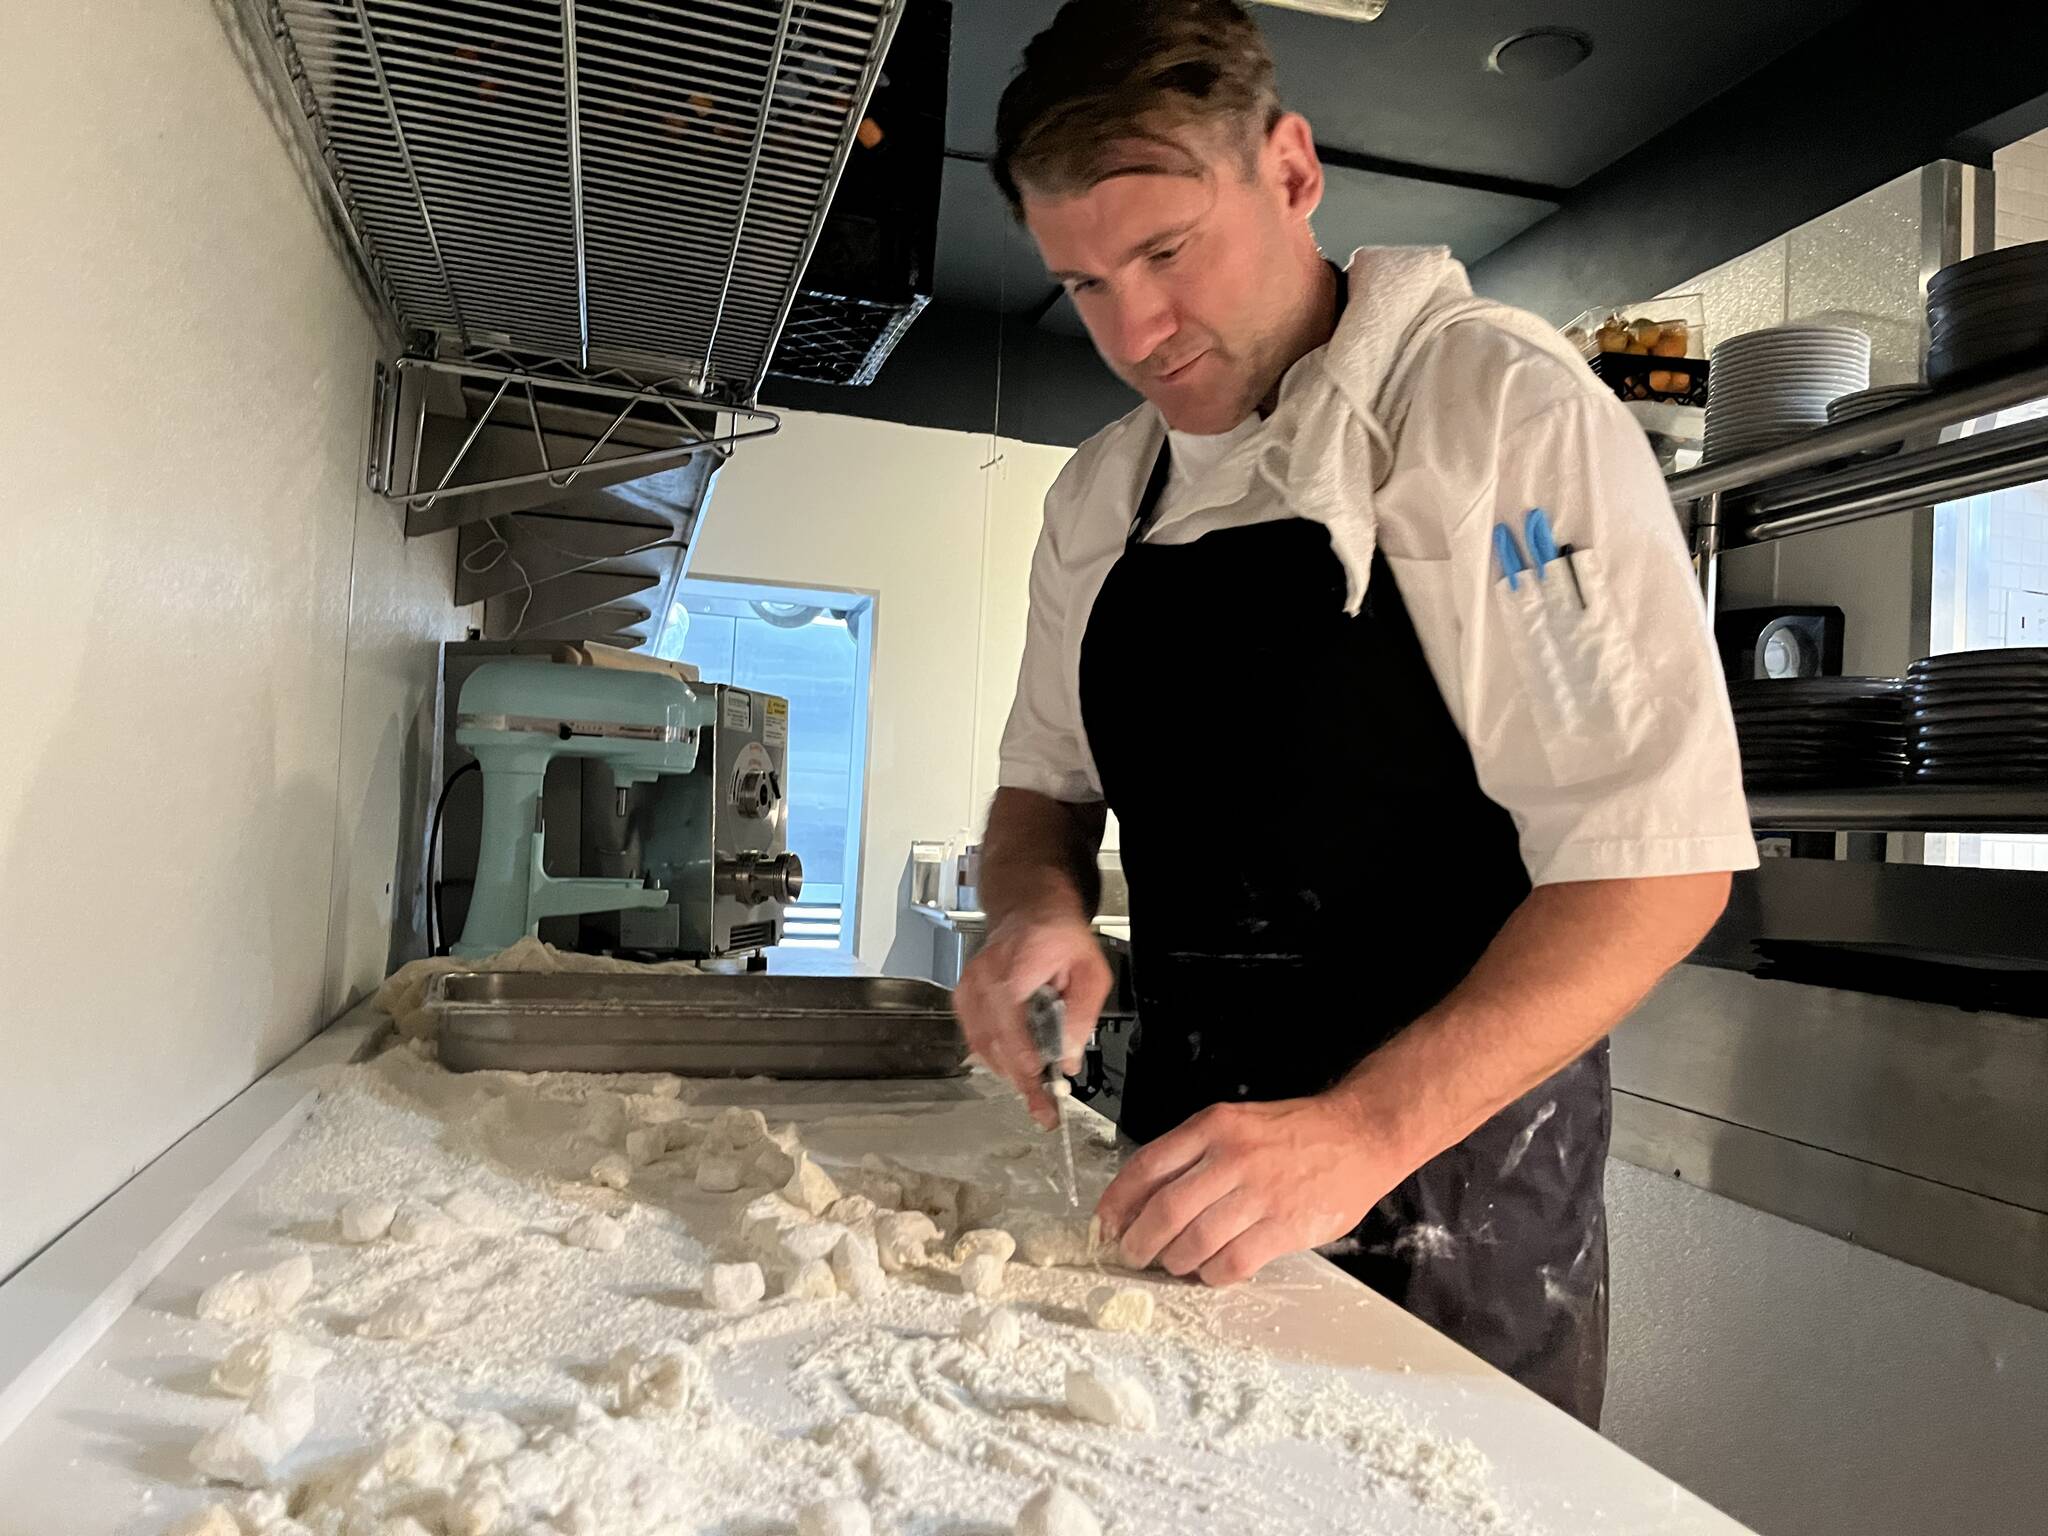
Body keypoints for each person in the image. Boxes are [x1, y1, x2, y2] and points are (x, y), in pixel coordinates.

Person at [951, 0, 1758, 1426]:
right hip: (1181, 1176)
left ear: (1292, 171)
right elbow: (1045, 799)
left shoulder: (1498, 423)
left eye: (1165, 251)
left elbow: (1655, 864)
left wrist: (1361, 1132)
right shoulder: (1098, 496)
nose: (1134, 331)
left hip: (1455, 1198)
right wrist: (1037, 909)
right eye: (1082, 285)